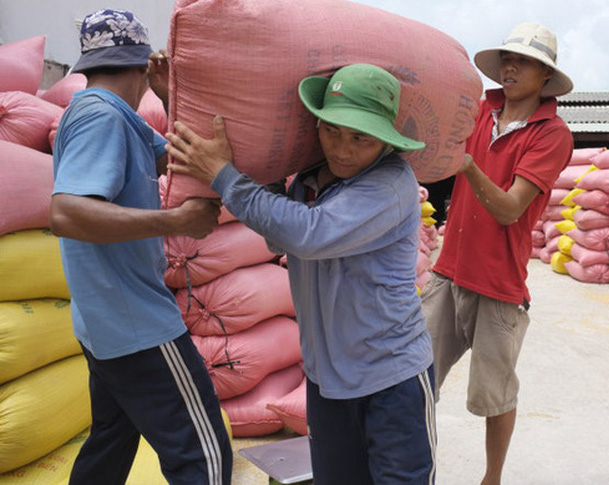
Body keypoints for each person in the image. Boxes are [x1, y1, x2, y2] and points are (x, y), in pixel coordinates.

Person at [165, 63, 437, 485]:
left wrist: (225, 176)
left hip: (391, 379)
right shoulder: (309, 181)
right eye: (331, 131)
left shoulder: (390, 184)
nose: (342, 149)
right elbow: (282, 240)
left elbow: (307, 234)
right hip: (327, 382)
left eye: (360, 137)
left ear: (384, 138)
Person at [49, 9, 232, 484]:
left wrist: (171, 95)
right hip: (139, 326)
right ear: (139, 63)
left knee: (111, 442)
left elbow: (176, 153)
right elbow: (66, 213)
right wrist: (177, 220)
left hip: (104, 324)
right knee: (204, 456)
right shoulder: (101, 118)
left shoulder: (110, 114)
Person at [420, 22, 574, 485]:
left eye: (524, 61)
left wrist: (466, 165)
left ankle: (492, 478)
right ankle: (408, 465)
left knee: (495, 395)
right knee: (415, 378)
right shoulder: (478, 112)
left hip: (499, 284)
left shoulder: (551, 134)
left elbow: (509, 209)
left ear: (545, 75)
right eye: (508, 57)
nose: (511, 66)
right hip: (448, 273)